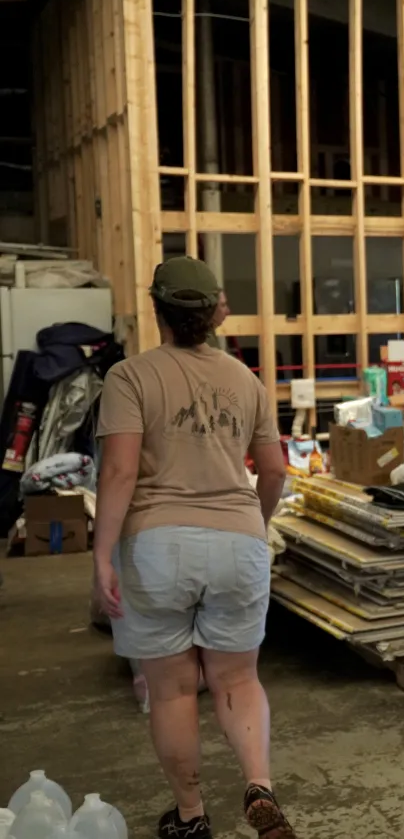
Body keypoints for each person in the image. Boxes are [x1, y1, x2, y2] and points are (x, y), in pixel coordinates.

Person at [93, 256, 293, 839]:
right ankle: (259, 784)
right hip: (239, 542)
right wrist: (252, 524)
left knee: (173, 690)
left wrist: (102, 554)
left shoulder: (130, 376)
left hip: (157, 546)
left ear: (158, 310)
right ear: (213, 316)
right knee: (239, 680)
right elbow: (275, 472)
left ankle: (190, 816)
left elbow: (119, 473)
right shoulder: (246, 379)